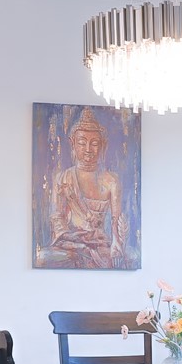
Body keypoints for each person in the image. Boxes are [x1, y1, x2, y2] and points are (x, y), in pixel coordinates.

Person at [47, 107, 127, 268]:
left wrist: (117, 243)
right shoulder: (63, 178)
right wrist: (74, 240)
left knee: (128, 257)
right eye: (82, 143)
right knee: (44, 258)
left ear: (102, 145)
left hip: (100, 243)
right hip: (70, 243)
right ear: (73, 144)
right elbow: (56, 216)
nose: (88, 149)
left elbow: (116, 219)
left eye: (95, 143)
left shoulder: (111, 181)